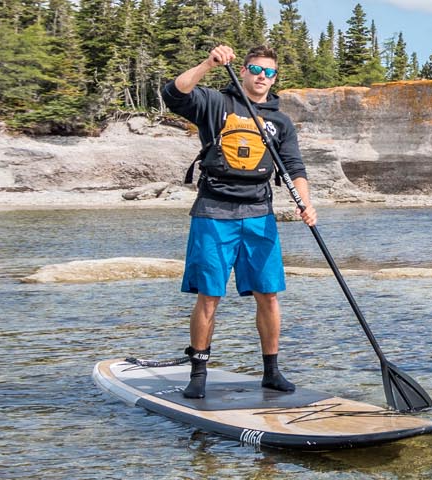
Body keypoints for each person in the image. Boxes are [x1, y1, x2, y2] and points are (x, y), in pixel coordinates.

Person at [161, 44, 317, 398]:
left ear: (275, 77)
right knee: (210, 294)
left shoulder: (279, 121)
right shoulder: (215, 103)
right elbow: (174, 93)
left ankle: (272, 371)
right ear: (244, 71)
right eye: (256, 70)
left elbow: (294, 168)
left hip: (259, 214)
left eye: (269, 72)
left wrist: (305, 204)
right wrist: (208, 63)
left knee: (269, 294)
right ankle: (198, 374)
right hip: (214, 212)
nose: (262, 77)